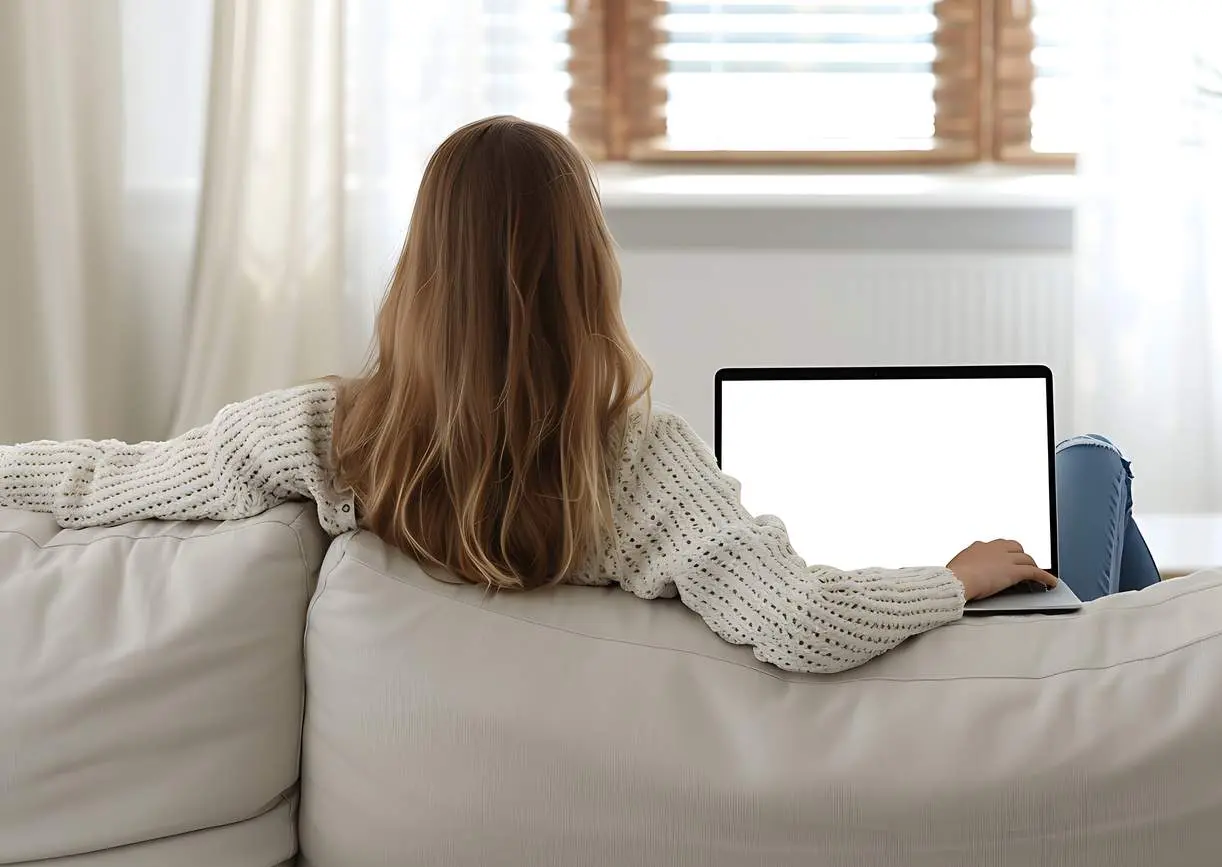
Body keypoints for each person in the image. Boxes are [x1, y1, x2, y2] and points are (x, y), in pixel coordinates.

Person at [0, 116, 1155, 674]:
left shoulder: (319, 434)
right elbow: (803, 620)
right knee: (1092, 464)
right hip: (938, 674)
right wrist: (953, 577)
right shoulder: (635, 466)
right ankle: (1120, 682)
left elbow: (112, 480)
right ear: (586, 272)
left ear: (421, 270)